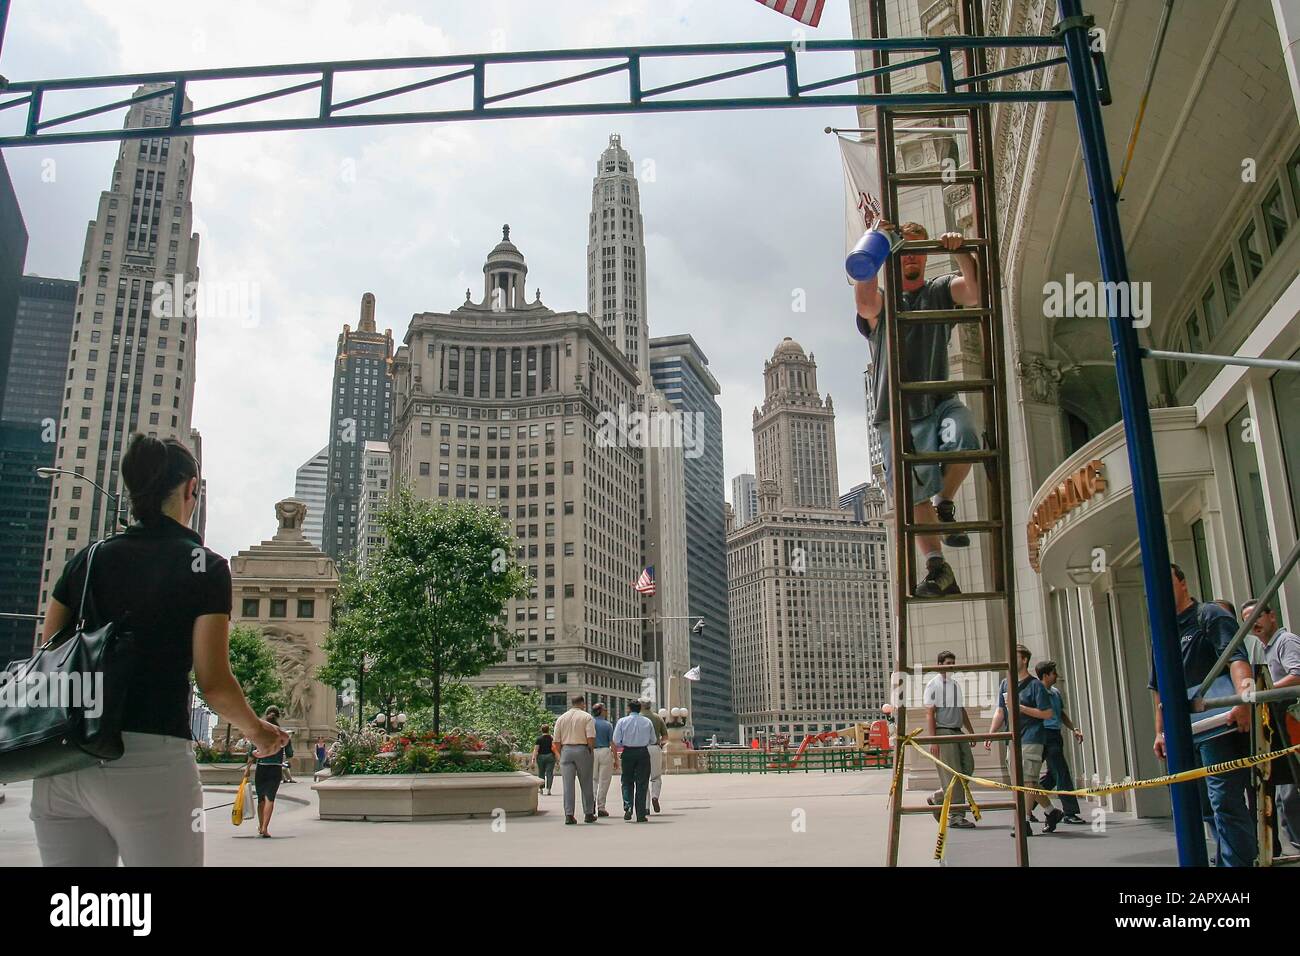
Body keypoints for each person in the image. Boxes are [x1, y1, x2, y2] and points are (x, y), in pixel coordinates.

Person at [30, 434, 289, 866]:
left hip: (64, 760)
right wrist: (259, 732)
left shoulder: (86, 560)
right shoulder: (204, 566)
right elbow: (214, 683)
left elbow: (48, 657)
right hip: (150, 759)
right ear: (192, 489)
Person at [853, 220, 982, 597]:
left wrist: (959, 250)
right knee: (913, 492)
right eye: (903, 251)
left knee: (967, 437)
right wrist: (875, 243)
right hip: (896, 412)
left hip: (938, 400)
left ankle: (947, 501)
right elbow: (864, 301)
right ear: (893, 258)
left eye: (918, 251)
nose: (911, 258)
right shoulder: (884, 298)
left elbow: (973, 292)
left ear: (926, 257)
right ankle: (937, 567)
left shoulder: (939, 291)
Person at [1150, 564, 1256, 867]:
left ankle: (1237, 864)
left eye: (1165, 582)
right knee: (1200, 803)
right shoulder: (1162, 630)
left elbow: (1236, 656)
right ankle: (1224, 857)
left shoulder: (1209, 614)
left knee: (1224, 799)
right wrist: (1160, 732)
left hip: (1217, 722)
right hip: (1182, 727)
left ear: (1183, 584)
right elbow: (1158, 688)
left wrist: (1243, 700)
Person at [1242, 598, 1300, 850]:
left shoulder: (1285, 641)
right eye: (1246, 620)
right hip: (1279, 729)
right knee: (1282, 797)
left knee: (1288, 795)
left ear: (1272, 617)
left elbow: (1298, 674)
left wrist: (1264, 691)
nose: (1253, 623)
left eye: (1256, 616)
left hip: (1292, 723)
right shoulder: (1262, 650)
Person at [986, 645, 1062, 834]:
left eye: (1015, 656)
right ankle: (1051, 812)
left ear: (1024, 660)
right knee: (1026, 782)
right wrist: (991, 732)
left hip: (1032, 737)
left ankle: (1024, 821)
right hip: (1013, 738)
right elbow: (1001, 710)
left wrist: (1020, 707)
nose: (1010, 659)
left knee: (1027, 781)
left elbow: (1047, 713)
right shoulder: (1005, 683)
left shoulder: (1035, 685)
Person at [924, 650, 976, 829]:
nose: (952, 666)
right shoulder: (933, 685)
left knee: (967, 767)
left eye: (953, 663)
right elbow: (930, 713)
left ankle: (939, 797)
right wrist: (933, 740)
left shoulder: (955, 685)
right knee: (952, 774)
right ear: (939, 665)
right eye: (948, 663)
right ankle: (956, 816)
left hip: (958, 731)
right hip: (943, 732)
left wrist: (970, 731)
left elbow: (961, 709)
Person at [1034, 661, 1087, 826]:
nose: (1057, 675)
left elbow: (1061, 714)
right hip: (1044, 735)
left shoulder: (1055, 692)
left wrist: (1074, 729)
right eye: (1054, 673)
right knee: (1062, 772)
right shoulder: (1038, 692)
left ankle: (1025, 806)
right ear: (1045, 675)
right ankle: (1070, 812)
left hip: (1056, 735)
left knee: (1051, 776)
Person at [246, 706, 293, 838]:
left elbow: (251, 753)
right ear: (278, 717)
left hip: (261, 768)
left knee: (261, 799)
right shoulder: (283, 734)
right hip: (275, 768)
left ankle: (261, 827)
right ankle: (266, 827)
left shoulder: (259, 733)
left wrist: (247, 770)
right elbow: (290, 753)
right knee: (270, 798)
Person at [552, 695, 596, 824]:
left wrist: (562, 753)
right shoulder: (587, 717)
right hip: (582, 749)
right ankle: (588, 813)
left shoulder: (561, 718)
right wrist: (590, 749)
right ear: (582, 703)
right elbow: (590, 738)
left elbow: (556, 740)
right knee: (586, 783)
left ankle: (569, 814)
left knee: (568, 785)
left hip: (566, 750)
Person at [613, 700, 656, 821]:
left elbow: (616, 740)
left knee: (627, 781)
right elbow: (653, 740)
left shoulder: (622, 721)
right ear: (640, 709)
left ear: (628, 708)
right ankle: (641, 814)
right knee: (642, 783)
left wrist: (625, 742)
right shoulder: (647, 722)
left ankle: (628, 806)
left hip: (628, 752)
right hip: (642, 752)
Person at [591, 702, 616, 817]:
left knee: (593, 779)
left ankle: (591, 803)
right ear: (601, 711)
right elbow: (612, 743)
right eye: (605, 709)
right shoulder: (608, 725)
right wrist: (616, 758)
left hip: (592, 752)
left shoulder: (589, 722)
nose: (606, 711)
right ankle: (601, 806)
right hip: (605, 751)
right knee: (604, 781)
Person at [644, 701, 668, 814]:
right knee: (656, 776)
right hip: (654, 748)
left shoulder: (638, 718)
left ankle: (646, 806)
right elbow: (665, 736)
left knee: (642, 778)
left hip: (641, 748)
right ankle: (655, 796)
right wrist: (661, 744)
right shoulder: (658, 718)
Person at [533, 724, 556, 796]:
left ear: (541, 730)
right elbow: (554, 748)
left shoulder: (539, 739)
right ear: (548, 730)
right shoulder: (551, 738)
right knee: (549, 773)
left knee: (541, 772)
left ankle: (541, 789)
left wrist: (533, 759)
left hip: (541, 757)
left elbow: (536, 750)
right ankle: (549, 789)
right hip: (550, 756)